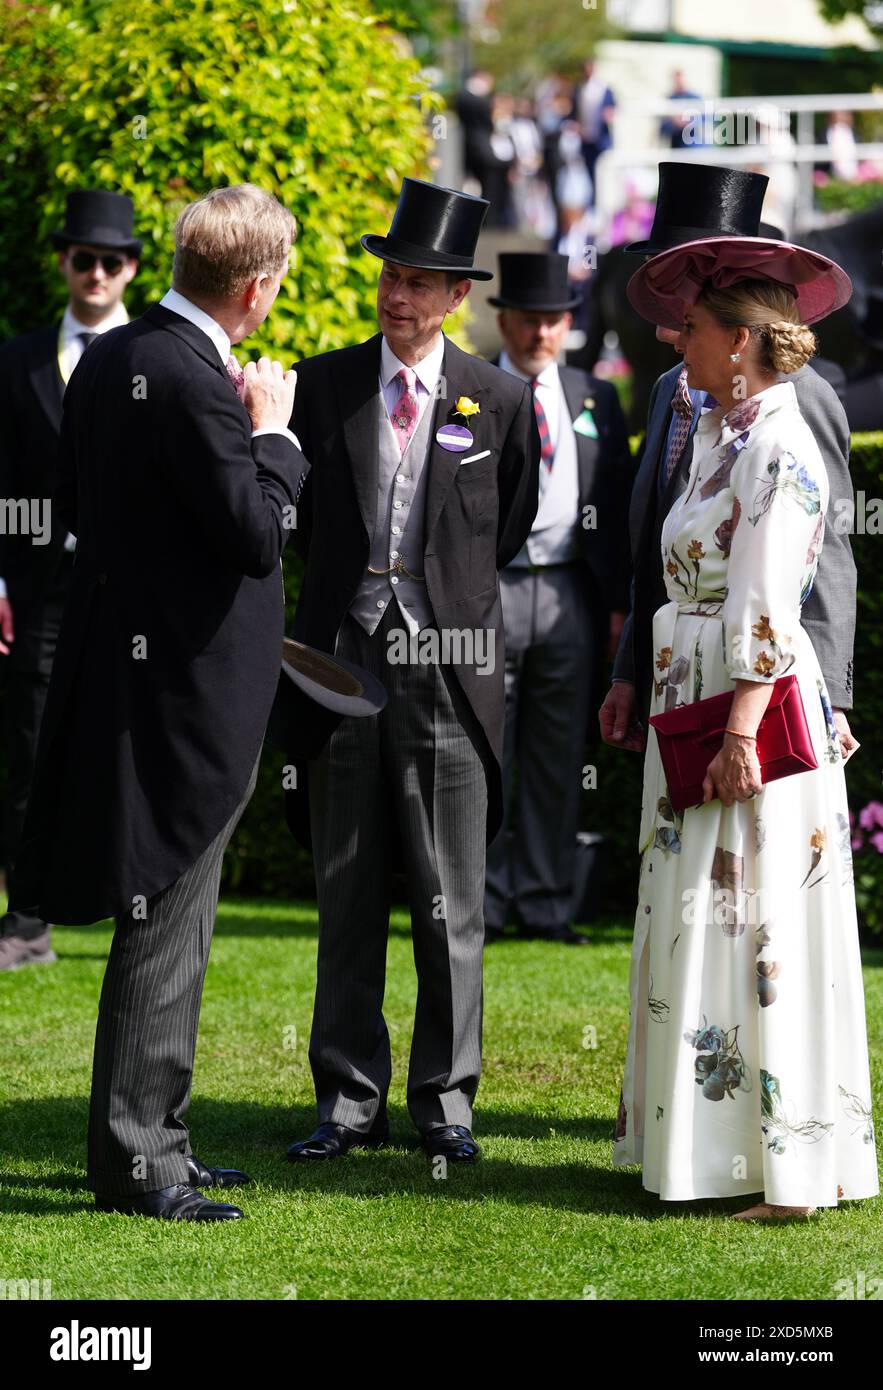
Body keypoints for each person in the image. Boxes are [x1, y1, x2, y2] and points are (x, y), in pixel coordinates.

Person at [9, 184, 309, 1221]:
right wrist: (276, 437)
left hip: (134, 673)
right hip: (190, 698)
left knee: (168, 917)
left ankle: (160, 1139)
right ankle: (140, 1161)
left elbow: (80, 510)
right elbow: (258, 534)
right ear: (258, 289)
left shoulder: (108, 359)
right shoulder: (190, 379)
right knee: (165, 923)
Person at [612, 232, 878, 1218]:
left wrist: (737, 734)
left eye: (691, 329)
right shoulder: (727, 437)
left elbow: (767, 604)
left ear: (738, 342)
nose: (676, 341)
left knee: (757, 924)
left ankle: (791, 1169)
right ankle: (717, 1153)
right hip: (700, 704)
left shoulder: (776, 445)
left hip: (744, 718)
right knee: (711, 923)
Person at [282, 179, 540, 1165]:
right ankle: (348, 1100)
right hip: (339, 668)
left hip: (451, 673)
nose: (400, 296)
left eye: (422, 282)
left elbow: (504, 526)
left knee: (448, 900)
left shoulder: (500, 397)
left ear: (455, 297)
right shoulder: (320, 385)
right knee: (346, 890)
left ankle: (445, 1100)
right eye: (392, 275)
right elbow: (299, 524)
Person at [601, 163, 858, 762]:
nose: (664, 286)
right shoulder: (670, 387)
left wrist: (830, 701)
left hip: (762, 692)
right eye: (657, 269)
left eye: (680, 273)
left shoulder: (799, 397)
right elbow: (655, 550)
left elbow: (824, 552)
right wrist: (629, 670)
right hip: (676, 680)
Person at [0, 191, 140, 972]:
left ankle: (137, 914)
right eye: (83, 258)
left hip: (133, 593)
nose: (96, 273)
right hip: (40, 591)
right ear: (63, 261)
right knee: (30, 747)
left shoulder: (157, 356)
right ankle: (24, 921)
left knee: (132, 749)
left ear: (131, 269)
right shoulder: (16, 360)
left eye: (111, 261)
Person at [483, 252, 632, 944]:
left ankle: (544, 901)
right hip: (490, 592)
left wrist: (616, 603)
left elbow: (620, 499)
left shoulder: (594, 396)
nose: (538, 333)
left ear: (566, 325)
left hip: (572, 591)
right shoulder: (473, 390)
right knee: (486, 750)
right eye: (526, 319)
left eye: (551, 321)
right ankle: (481, 902)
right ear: (504, 320)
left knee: (555, 753)